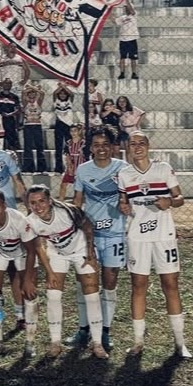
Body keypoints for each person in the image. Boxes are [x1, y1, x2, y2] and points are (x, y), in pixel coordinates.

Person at [117, 131, 192, 358]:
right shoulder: (124, 174)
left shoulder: (163, 168)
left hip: (163, 235)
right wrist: (123, 207)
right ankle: (138, 341)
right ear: (128, 148)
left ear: (148, 146)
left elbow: (180, 198)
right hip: (137, 237)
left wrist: (169, 201)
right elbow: (123, 202)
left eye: (142, 143)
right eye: (133, 144)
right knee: (138, 285)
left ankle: (180, 343)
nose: (137, 147)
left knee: (170, 284)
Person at [25, 184, 109, 359]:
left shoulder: (66, 211)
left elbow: (88, 226)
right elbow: (39, 247)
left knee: (92, 296)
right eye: (33, 203)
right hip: (57, 254)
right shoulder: (31, 221)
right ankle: (55, 343)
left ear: (50, 200)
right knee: (53, 295)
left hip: (81, 250)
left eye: (42, 201)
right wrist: (49, 272)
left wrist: (90, 253)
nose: (38, 206)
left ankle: (97, 344)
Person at [69, 126, 128, 351]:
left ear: (112, 147)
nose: (101, 149)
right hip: (90, 235)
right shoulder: (83, 170)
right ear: (90, 148)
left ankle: (104, 332)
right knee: (84, 283)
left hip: (115, 234)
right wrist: (74, 229)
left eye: (105, 145)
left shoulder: (123, 169)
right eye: (96, 145)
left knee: (110, 283)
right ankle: (83, 329)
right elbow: (77, 201)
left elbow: (130, 198)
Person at [0, 182, 40, 357]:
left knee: (30, 294)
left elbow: (31, 250)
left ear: (4, 206)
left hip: (22, 252)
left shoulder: (19, 220)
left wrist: (27, 280)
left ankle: (30, 342)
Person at [21, 83, 48, 174]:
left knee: (40, 146)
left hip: (37, 125)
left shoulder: (38, 102)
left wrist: (33, 88)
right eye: (30, 93)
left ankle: (42, 168)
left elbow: (42, 93)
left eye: (33, 93)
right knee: (28, 147)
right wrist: (31, 88)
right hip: (28, 126)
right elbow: (23, 93)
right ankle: (28, 168)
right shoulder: (25, 103)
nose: (32, 94)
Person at [0, 78, 22, 151]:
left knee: (12, 141)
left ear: (11, 85)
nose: (7, 85)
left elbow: (18, 109)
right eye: (5, 83)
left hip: (10, 121)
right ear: (2, 84)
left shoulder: (15, 97)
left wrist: (10, 114)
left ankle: (12, 154)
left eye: (9, 83)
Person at [52, 83, 75, 174]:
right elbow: (54, 93)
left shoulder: (69, 101)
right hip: (59, 124)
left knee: (69, 146)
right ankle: (58, 167)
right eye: (61, 93)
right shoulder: (56, 101)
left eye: (64, 94)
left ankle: (71, 166)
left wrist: (64, 86)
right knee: (58, 147)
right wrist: (60, 87)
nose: (62, 95)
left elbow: (72, 94)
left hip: (68, 125)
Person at [59, 123, 86, 201]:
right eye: (71, 131)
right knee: (63, 184)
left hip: (81, 166)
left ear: (79, 131)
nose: (73, 133)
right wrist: (69, 165)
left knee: (78, 187)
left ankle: (77, 201)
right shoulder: (68, 143)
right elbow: (67, 154)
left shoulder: (83, 143)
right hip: (71, 166)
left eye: (75, 131)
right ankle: (61, 201)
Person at [114, 0, 139, 79]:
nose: (126, 9)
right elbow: (115, 21)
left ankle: (134, 73)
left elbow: (132, 11)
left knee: (133, 58)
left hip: (132, 39)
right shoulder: (122, 18)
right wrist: (109, 12)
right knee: (122, 57)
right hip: (123, 39)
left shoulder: (134, 15)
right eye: (125, 8)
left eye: (127, 7)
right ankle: (122, 73)